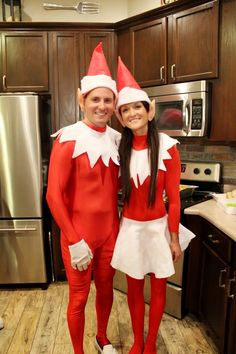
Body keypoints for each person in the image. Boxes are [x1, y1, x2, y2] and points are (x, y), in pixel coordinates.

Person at [111, 57, 195, 354]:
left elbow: (174, 198)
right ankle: (136, 340)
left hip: (158, 229)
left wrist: (173, 237)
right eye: (125, 109)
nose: (132, 113)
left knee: (158, 288)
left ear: (149, 111)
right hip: (130, 229)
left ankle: (150, 343)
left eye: (137, 107)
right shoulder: (117, 149)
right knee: (134, 288)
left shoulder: (169, 147)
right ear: (120, 118)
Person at [46, 43, 120, 354]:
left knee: (106, 291)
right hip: (78, 235)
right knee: (78, 298)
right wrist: (74, 239)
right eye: (95, 99)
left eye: (107, 100)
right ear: (82, 100)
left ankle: (101, 338)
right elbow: (53, 195)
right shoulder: (67, 138)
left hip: (110, 234)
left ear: (114, 104)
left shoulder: (118, 139)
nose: (101, 105)